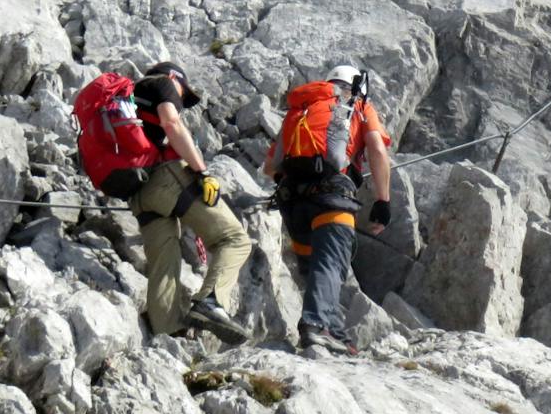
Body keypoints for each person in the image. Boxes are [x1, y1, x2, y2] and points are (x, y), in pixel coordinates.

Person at [263, 64, 392, 354]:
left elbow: (269, 167)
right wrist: (382, 201)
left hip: (293, 202)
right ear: (355, 85)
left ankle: (332, 330)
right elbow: (377, 149)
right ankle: (317, 325)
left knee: (318, 268)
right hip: (331, 196)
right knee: (331, 262)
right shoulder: (357, 105)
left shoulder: (301, 109)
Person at [127, 61, 252, 342]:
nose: (181, 98)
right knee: (234, 240)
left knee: (164, 263)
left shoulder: (126, 98)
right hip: (168, 178)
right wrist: (203, 172)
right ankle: (211, 302)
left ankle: (168, 334)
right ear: (175, 78)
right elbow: (171, 122)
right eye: (183, 93)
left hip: (138, 193)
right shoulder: (163, 83)